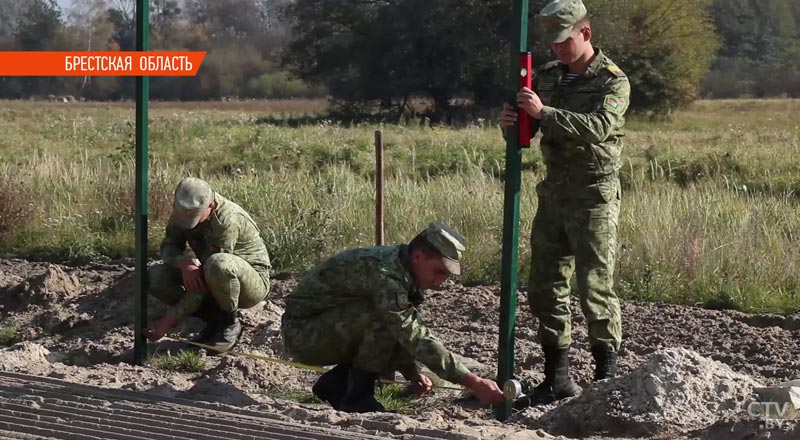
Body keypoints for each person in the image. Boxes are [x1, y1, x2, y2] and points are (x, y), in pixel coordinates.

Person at [498, 0, 631, 406]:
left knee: (595, 287)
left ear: (585, 34)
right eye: (552, 43)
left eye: (564, 42)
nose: (557, 50)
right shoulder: (548, 77)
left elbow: (599, 127)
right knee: (545, 287)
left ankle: (606, 380)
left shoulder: (612, 81)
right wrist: (514, 125)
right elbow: (529, 131)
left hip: (593, 196)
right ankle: (557, 378)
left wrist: (545, 112)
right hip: (554, 194)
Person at [280, 222, 505, 413]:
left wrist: (411, 372)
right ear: (418, 256)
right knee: (385, 317)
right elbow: (408, 330)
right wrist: (472, 381)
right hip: (302, 333)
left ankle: (337, 385)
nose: (439, 282)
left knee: (392, 317)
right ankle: (357, 396)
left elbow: (405, 327)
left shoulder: (403, 271)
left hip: (321, 328)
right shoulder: (386, 273)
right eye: (439, 271)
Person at [143, 177, 272, 352]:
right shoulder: (183, 210)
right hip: (212, 274)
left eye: (194, 217)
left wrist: (169, 321)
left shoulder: (228, 220)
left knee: (218, 264)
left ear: (210, 205)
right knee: (154, 276)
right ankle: (213, 320)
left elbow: (210, 275)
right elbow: (169, 246)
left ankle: (228, 323)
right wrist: (184, 263)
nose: (187, 222)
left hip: (248, 284)